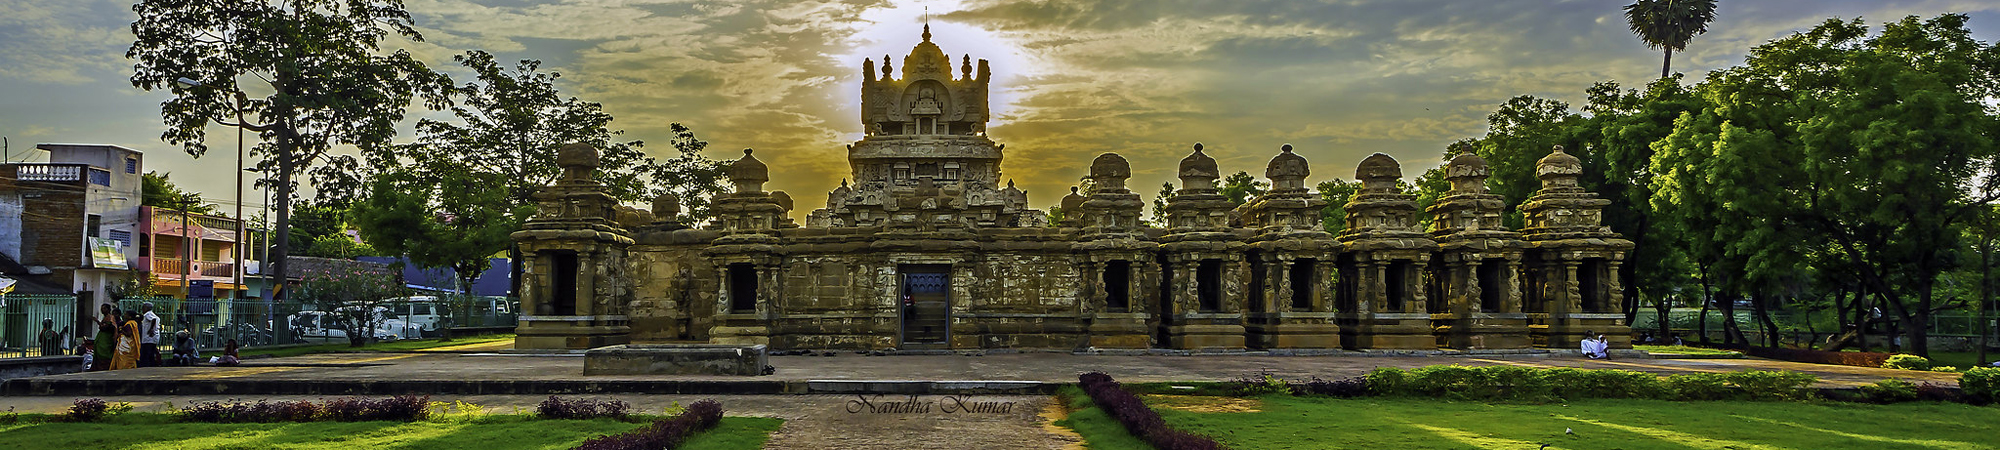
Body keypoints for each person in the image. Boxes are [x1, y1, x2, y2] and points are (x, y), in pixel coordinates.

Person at [91, 305, 116, 371]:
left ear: (108, 309)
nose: (102, 310)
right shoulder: (105, 317)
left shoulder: (110, 317)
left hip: (106, 339)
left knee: (104, 353)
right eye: (101, 309)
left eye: (104, 308)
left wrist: (97, 321)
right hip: (101, 338)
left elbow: (105, 327)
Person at [138, 302, 161, 367]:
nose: (142, 309)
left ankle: (147, 366)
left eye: (143, 308)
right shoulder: (152, 314)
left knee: (146, 354)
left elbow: (153, 319)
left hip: (148, 338)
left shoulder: (148, 314)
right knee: (151, 354)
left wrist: (151, 329)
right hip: (152, 338)